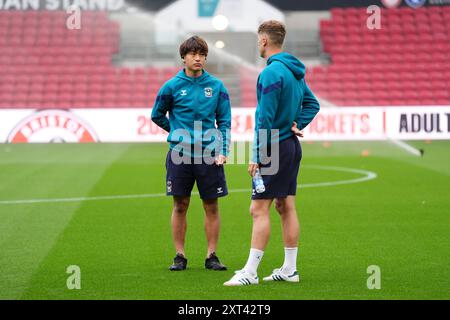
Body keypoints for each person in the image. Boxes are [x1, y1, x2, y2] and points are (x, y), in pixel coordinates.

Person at [224, 20, 320, 286]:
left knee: (258, 209)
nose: (258, 44)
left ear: (264, 41)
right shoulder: (293, 71)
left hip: (273, 147)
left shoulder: (270, 73)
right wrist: (297, 123)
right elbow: (313, 104)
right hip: (290, 145)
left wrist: (256, 154)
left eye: (258, 40)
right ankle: (290, 269)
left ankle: (250, 272)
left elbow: (263, 119)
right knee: (285, 205)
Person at [151, 36, 231, 271]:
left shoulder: (217, 87)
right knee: (180, 205)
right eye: (193, 54)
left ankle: (212, 255)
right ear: (183, 57)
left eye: (202, 54)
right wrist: (176, 131)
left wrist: (223, 150)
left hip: (209, 155)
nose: (198, 58)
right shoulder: (171, 86)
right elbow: (157, 115)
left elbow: (224, 122)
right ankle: (180, 255)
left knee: (212, 206)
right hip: (180, 154)